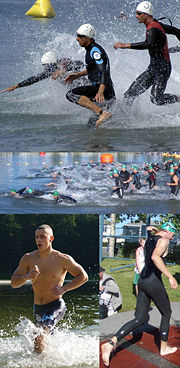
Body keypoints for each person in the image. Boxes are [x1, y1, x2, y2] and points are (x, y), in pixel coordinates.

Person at [101, 222, 178, 366]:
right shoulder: (164, 240)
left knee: (140, 318)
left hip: (142, 280)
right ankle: (164, 348)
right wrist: (170, 276)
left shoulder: (150, 239)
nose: (172, 238)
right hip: (153, 281)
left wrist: (152, 231)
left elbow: (151, 239)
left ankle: (110, 343)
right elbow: (156, 257)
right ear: (167, 232)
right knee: (166, 312)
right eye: (172, 234)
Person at [11, 224, 88, 354]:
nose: (39, 240)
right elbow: (14, 282)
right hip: (38, 308)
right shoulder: (28, 258)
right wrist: (26, 276)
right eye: (36, 237)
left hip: (55, 305)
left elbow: (83, 276)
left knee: (39, 336)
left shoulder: (62, 259)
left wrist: (64, 289)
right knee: (41, 341)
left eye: (42, 237)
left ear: (51, 238)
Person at [114, 1, 180, 107]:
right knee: (129, 94)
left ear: (146, 14)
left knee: (156, 99)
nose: (136, 16)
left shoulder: (153, 28)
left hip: (162, 70)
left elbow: (148, 44)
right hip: (152, 69)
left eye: (139, 13)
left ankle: (178, 98)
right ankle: (126, 117)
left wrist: (126, 45)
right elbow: (177, 31)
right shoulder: (158, 25)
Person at [65, 24, 116, 127]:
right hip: (104, 91)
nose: (77, 38)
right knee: (91, 126)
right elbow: (93, 69)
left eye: (79, 36)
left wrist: (100, 91)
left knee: (71, 94)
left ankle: (102, 113)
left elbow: (103, 71)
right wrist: (77, 75)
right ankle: (101, 115)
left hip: (102, 90)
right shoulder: (90, 49)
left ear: (87, 38)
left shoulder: (95, 51)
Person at [0, 51, 85, 93]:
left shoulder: (63, 63)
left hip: (84, 85)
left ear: (53, 64)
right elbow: (34, 79)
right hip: (76, 90)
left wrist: (62, 71)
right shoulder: (51, 71)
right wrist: (16, 86)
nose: (46, 69)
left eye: (47, 66)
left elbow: (80, 63)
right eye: (45, 67)